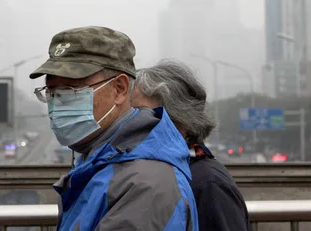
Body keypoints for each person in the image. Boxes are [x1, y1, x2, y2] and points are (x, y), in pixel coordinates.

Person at [30, 26, 198, 231]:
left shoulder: (145, 186)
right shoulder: (101, 163)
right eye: (52, 92)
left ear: (119, 89)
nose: (57, 104)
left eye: (71, 90)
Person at [132, 60, 251, 231]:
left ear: (181, 119)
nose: (132, 123)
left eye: (143, 114)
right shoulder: (149, 171)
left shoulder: (208, 184)